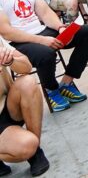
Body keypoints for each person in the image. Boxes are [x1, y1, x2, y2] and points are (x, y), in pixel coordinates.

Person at [0, 0, 88, 113]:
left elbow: (45, 12)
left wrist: (60, 27)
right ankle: (52, 90)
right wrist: (42, 40)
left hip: (42, 31)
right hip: (19, 42)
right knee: (45, 53)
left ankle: (67, 82)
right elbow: (6, 32)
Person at [0, 37, 50, 176]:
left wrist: (10, 60)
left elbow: (26, 67)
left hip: (7, 104)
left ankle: (35, 154)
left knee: (28, 83)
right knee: (26, 145)